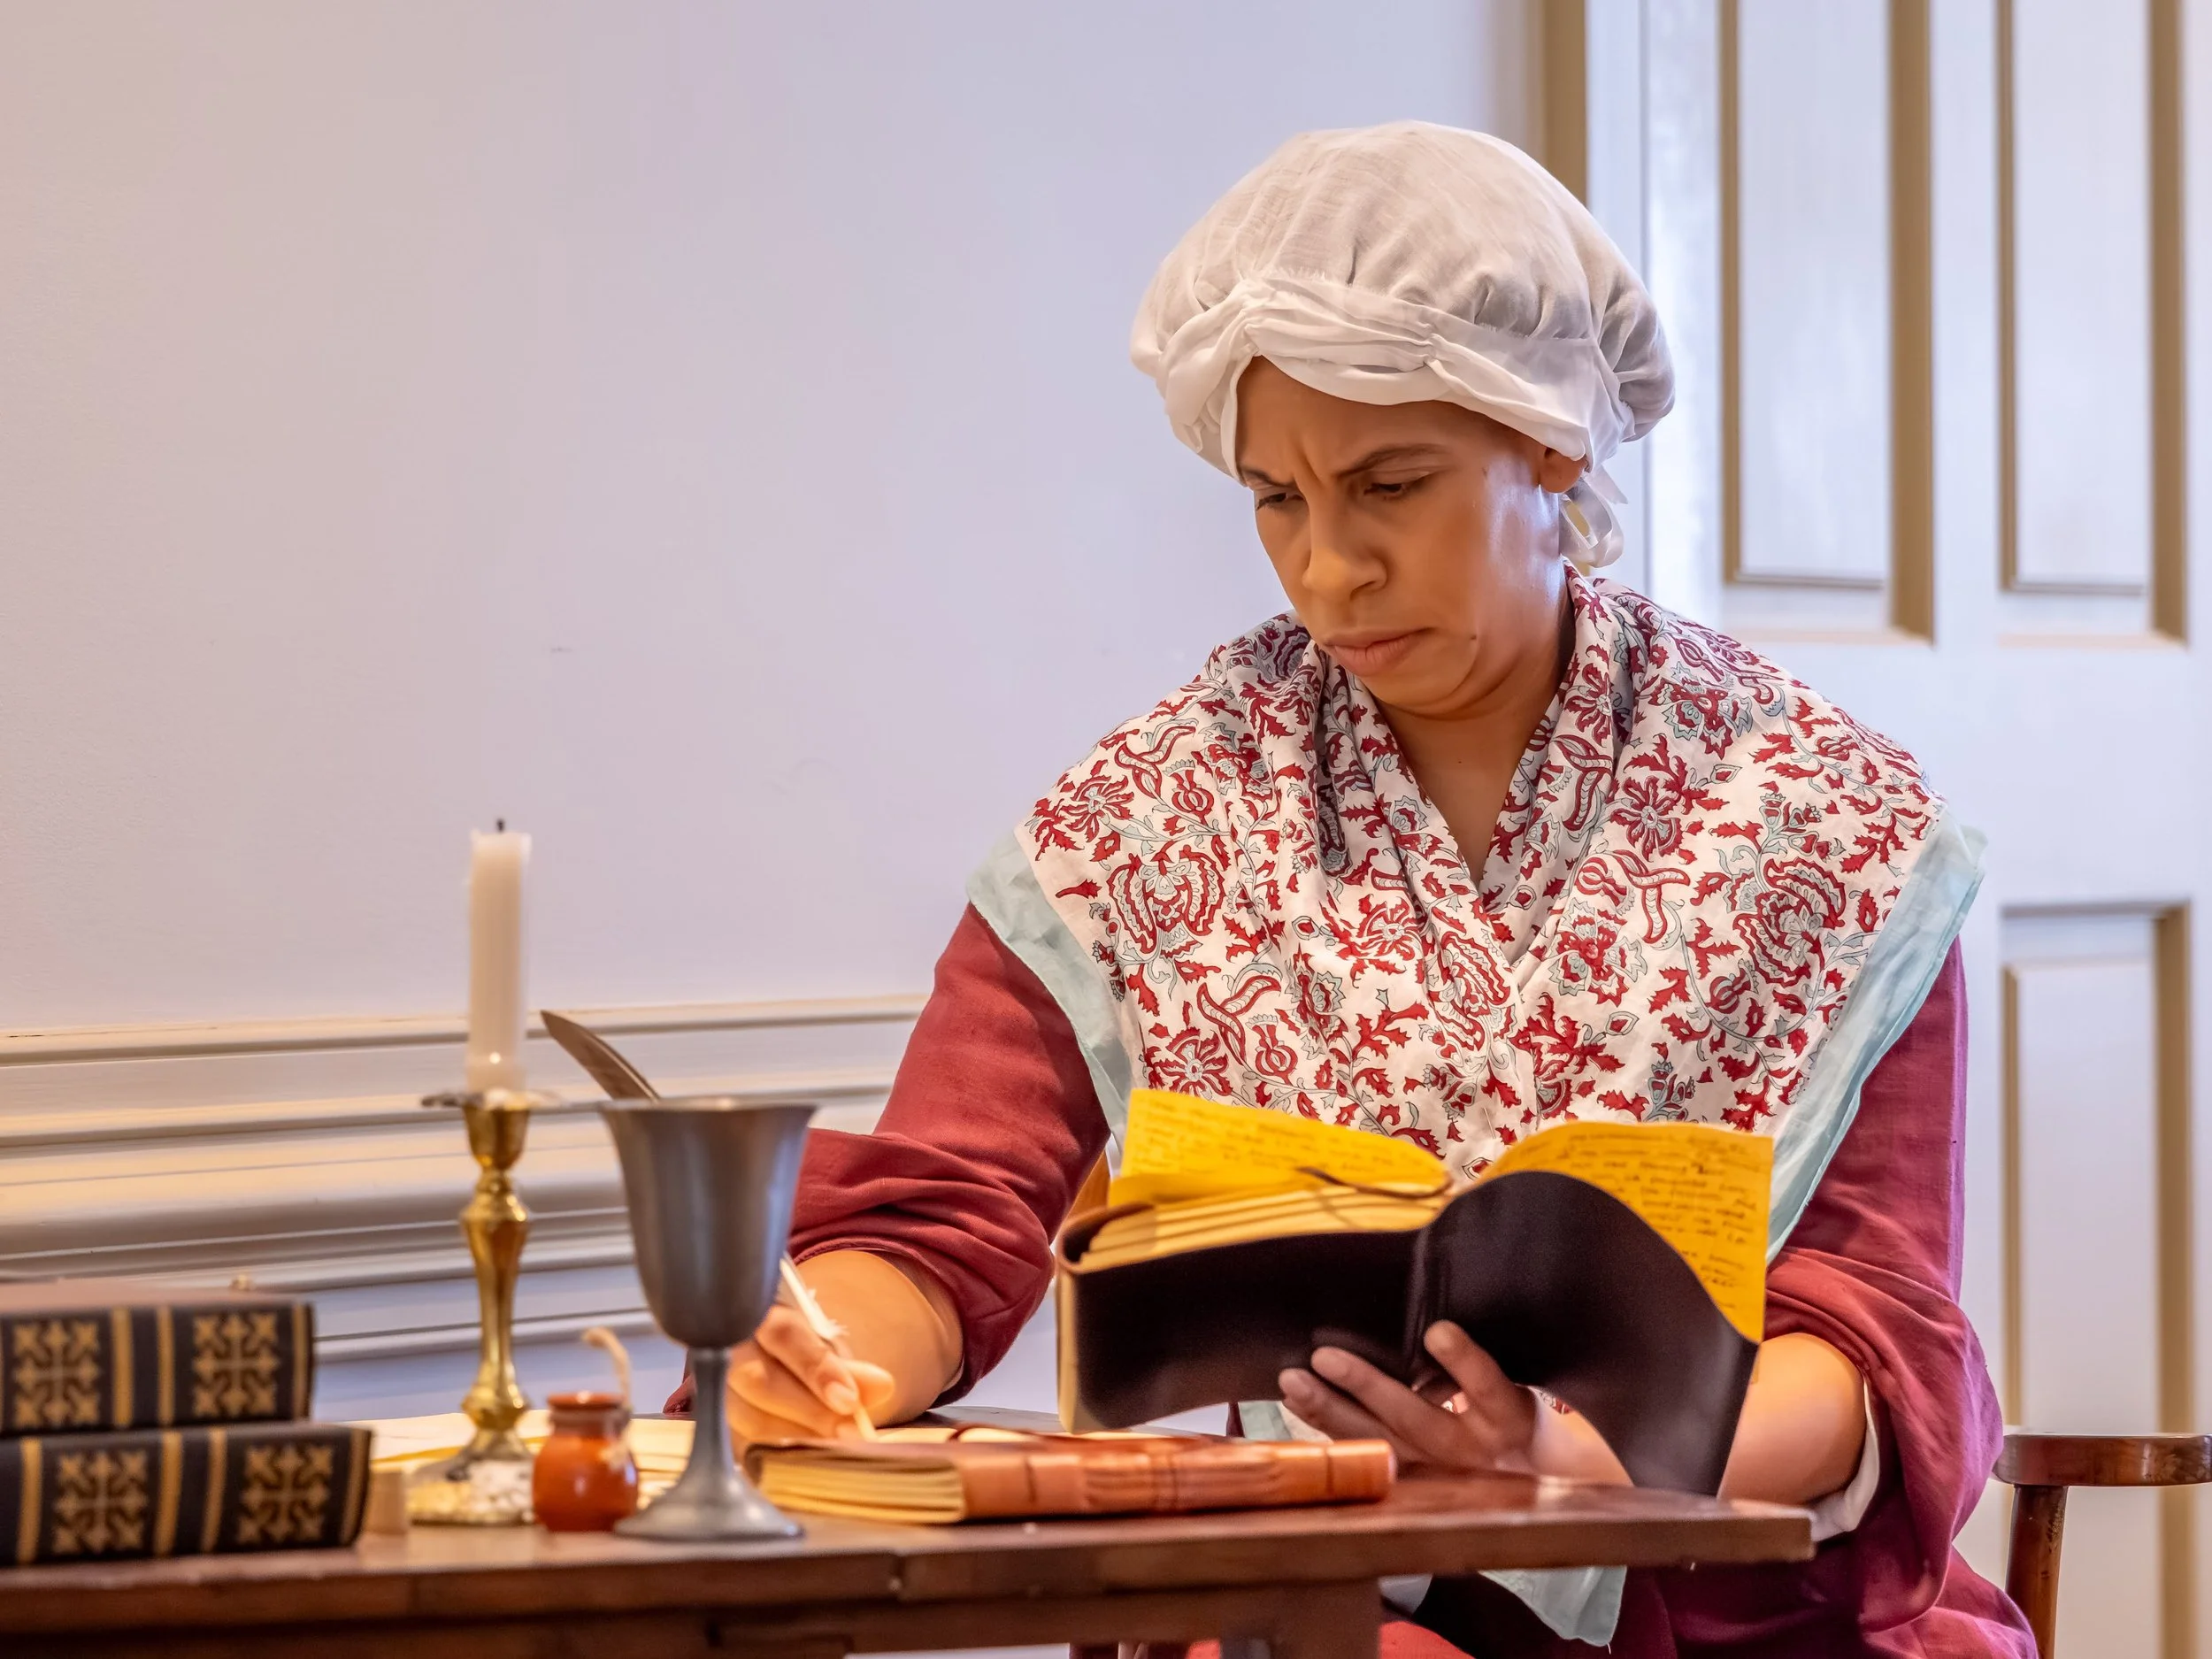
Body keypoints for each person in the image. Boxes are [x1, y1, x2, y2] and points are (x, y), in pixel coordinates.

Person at [692, 124, 2032, 1655]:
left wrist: (1567, 1463)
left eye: (1389, 484)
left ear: (1551, 445)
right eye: (1277, 500)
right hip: (1330, 1606)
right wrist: (825, 1355)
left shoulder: (1821, 828)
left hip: (1729, 1612)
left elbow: (1866, 1336)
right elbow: (951, 1209)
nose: (1328, 570)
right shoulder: (1155, 823)